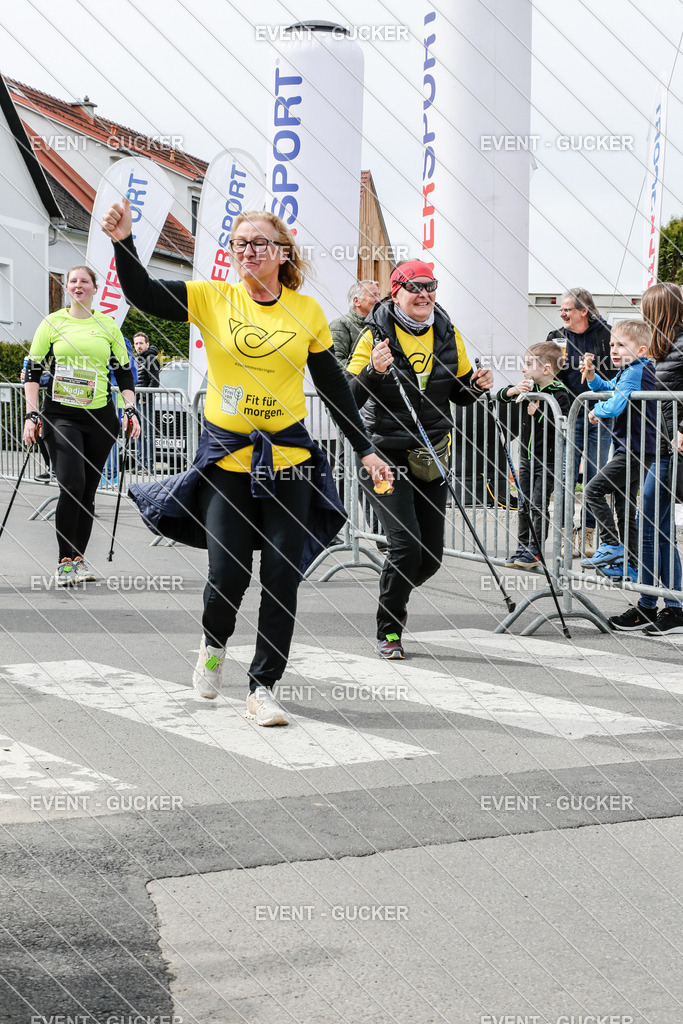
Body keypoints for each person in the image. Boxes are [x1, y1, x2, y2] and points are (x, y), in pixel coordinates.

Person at [101, 200, 393, 725]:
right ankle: (213, 645)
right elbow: (142, 294)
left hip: (290, 460)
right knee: (227, 573)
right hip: (227, 461)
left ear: (282, 253)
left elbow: (332, 388)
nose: (248, 251)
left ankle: (263, 686)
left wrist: (365, 449)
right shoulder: (214, 297)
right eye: (239, 244)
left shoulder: (305, 313)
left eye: (259, 243)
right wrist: (123, 242)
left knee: (283, 574)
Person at [345, 259, 493, 660]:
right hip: (383, 454)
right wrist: (374, 372)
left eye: (431, 287)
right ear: (397, 293)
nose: (425, 294)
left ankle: (394, 587)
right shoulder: (374, 337)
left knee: (430, 558)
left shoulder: (447, 334)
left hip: (432, 455)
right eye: (415, 287)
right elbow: (349, 397)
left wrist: (477, 386)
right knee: (406, 546)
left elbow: (459, 394)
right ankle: (389, 629)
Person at [22, 265, 140, 585]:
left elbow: (124, 373)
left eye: (84, 281)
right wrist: (32, 415)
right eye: (72, 281)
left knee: (87, 492)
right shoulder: (53, 322)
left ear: (94, 288)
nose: (77, 285)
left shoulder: (107, 325)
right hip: (61, 415)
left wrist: (130, 408)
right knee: (71, 485)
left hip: (99, 418)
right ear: (67, 288)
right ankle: (64, 562)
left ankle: (79, 561)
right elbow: (32, 372)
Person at [609, 284, 683, 634]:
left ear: (660, 310)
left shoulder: (679, 346)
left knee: (655, 525)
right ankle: (651, 603)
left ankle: (671, 606)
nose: (643, 316)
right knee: (654, 526)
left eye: (646, 309)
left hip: (674, 450)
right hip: (663, 449)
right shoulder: (664, 348)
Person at [579, 320, 660, 583]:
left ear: (641, 350)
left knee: (592, 490)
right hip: (632, 448)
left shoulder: (636, 371)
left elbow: (615, 405)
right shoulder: (630, 370)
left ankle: (612, 545)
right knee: (625, 505)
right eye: (612, 344)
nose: (614, 349)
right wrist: (591, 377)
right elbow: (608, 390)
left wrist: (596, 412)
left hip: (636, 450)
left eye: (622, 345)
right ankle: (632, 565)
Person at [499, 342, 570, 570]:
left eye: (529, 364)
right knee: (523, 503)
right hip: (526, 458)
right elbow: (501, 396)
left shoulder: (560, 394)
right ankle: (522, 547)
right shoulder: (529, 389)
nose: (523, 369)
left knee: (538, 505)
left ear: (547, 369)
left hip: (547, 461)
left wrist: (538, 412)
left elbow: (563, 426)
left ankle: (535, 549)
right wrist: (512, 391)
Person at [553, 287, 613, 556]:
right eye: (562, 310)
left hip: (600, 416)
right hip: (571, 415)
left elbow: (617, 373)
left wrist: (604, 405)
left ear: (584, 311)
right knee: (566, 476)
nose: (563, 314)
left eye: (568, 309)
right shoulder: (556, 338)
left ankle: (588, 534)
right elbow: (550, 376)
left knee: (594, 475)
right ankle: (566, 533)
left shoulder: (607, 334)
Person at [330, 280, 381, 367]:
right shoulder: (339, 325)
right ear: (356, 301)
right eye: (373, 295)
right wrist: (371, 372)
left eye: (379, 295)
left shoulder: (380, 326)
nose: (379, 300)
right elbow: (336, 363)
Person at [133, 331, 160, 472]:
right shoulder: (137, 359)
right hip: (136, 400)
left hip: (145, 401)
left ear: (147, 344)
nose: (138, 346)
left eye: (141, 343)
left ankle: (148, 465)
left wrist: (144, 397)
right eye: (136, 344)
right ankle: (140, 463)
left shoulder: (151, 359)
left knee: (147, 433)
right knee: (138, 432)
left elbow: (155, 382)